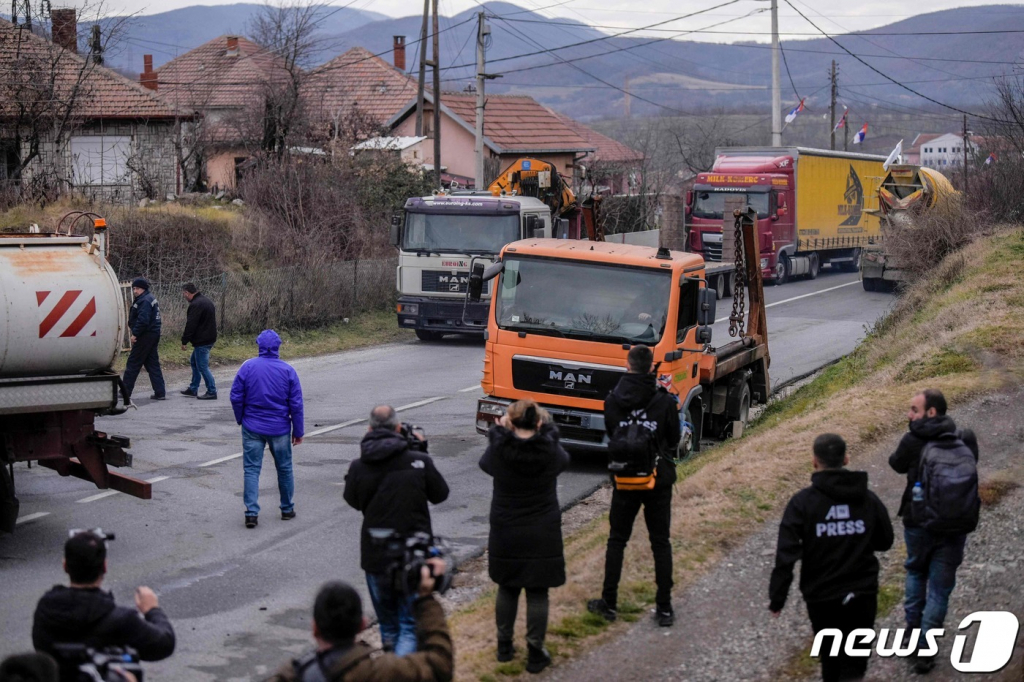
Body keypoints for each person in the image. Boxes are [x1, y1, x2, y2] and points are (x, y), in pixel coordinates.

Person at [769, 434, 894, 682]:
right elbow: (885, 541)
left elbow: (786, 554)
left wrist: (778, 598)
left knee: (830, 658)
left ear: (815, 461)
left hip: (822, 597)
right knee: (856, 662)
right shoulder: (867, 499)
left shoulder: (802, 504)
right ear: (846, 458)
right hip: (862, 594)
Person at [344, 406, 450, 656]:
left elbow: (353, 500)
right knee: (409, 624)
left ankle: (392, 661)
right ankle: (401, 671)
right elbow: (440, 494)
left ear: (369, 430)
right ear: (399, 428)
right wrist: (421, 453)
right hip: (412, 553)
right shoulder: (418, 461)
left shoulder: (359, 466)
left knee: (389, 625)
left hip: (375, 554)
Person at [588, 345, 681, 627]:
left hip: (625, 477)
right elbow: (674, 440)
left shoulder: (613, 400)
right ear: (651, 365)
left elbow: (613, 434)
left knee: (617, 540)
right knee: (660, 542)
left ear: (627, 365)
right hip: (658, 477)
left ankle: (609, 602)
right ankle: (664, 608)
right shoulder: (664, 401)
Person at [889, 388, 979, 674]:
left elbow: (895, 464)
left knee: (916, 573)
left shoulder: (913, 440)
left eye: (914, 410)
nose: (909, 414)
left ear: (931, 412)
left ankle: (911, 634)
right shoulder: (961, 437)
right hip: (954, 525)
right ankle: (926, 651)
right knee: (940, 589)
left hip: (917, 522)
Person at [480, 399, 570, 674]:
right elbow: (564, 460)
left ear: (510, 421)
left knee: (507, 586)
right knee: (537, 590)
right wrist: (546, 433)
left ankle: (504, 646)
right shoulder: (550, 451)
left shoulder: (499, 450)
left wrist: (501, 433)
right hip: (541, 527)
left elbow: (486, 464)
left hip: (506, 527)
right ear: (539, 422)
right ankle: (534, 651)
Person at [266, 560, 453, 682]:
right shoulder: (381, 672)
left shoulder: (291, 675)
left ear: (315, 628)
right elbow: (440, 665)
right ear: (362, 625)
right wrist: (425, 599)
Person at [32, 531, 175, 682]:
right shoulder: (122, 620)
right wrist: (152, 610)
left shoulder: (45, 610)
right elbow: (164, 644)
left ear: (65, 565)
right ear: (105, 567)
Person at [230, 329, 304, 529]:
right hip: (279, 428)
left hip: (252, 425)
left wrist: (241, 418)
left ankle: (251, 513)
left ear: (259, 346)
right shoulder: (288, 371)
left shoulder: (247, 367)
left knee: (252, 469)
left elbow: (236, 396)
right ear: (278, 347)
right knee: (285, 468)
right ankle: (287, 509)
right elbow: (296, 404)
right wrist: (298, 431)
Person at [121, 277, 165, 402]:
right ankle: (160, 391)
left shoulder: (144, 301)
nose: (135, 291)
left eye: (137, 288)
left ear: (143, 289)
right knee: (152, 364)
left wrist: (135, 334)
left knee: (133, 363)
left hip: (144, 336)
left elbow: (143, 320)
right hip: (152, 335)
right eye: (134, 288)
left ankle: (125, 392)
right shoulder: (148, 298)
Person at [179, 283, 218, 400]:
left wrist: (184, 340)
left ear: (187, 292)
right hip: (208, 338)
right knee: (194, 362)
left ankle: (212, 391)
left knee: (202, 366)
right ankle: (193, 388)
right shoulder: (206, 301)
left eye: (183, 294)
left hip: (203, 340)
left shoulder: (196, 305)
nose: (184, 296)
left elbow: (191, 324)